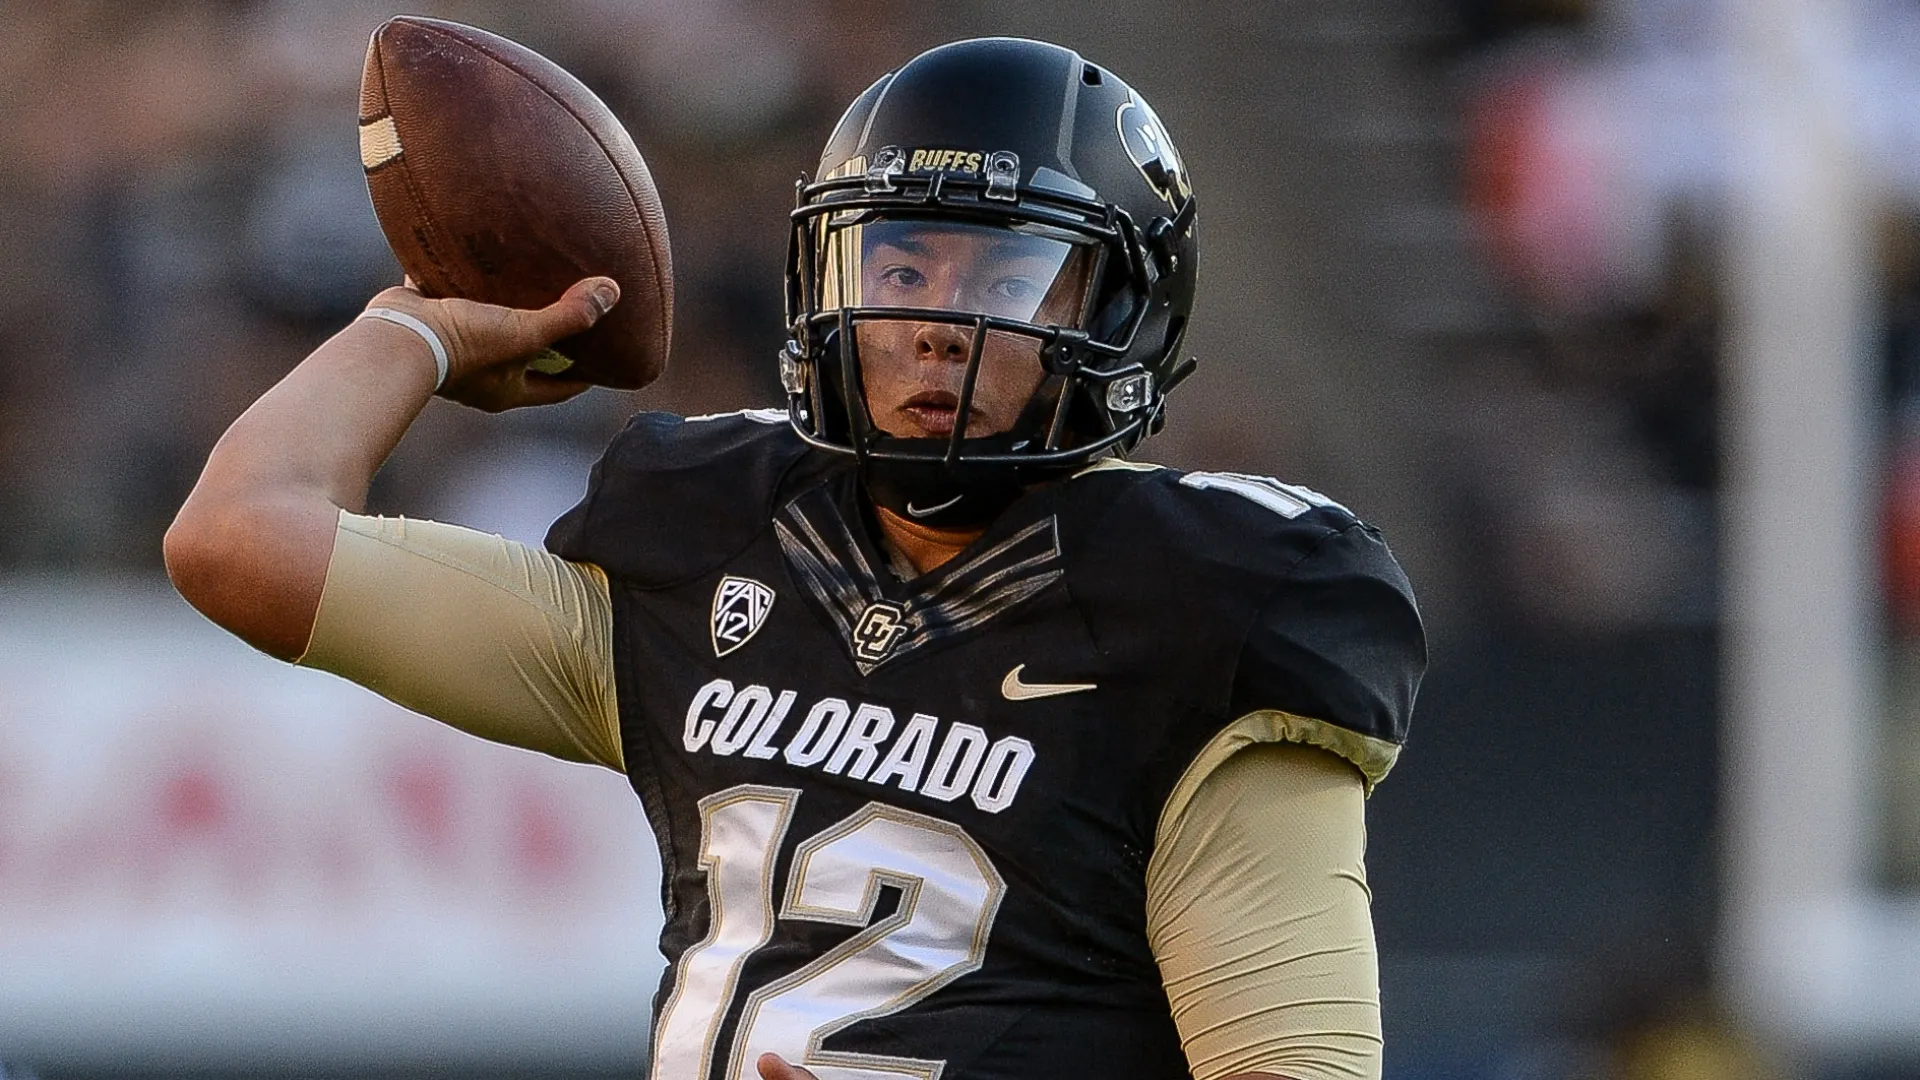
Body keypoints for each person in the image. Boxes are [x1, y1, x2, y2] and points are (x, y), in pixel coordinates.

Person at [166, 37, 1424, 1080]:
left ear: (1114, 314)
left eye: (1010, 276)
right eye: (901, 265)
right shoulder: (716, 535)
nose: (936, 325)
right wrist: (415, 332)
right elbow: (242, 540)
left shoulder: (1210, 607)